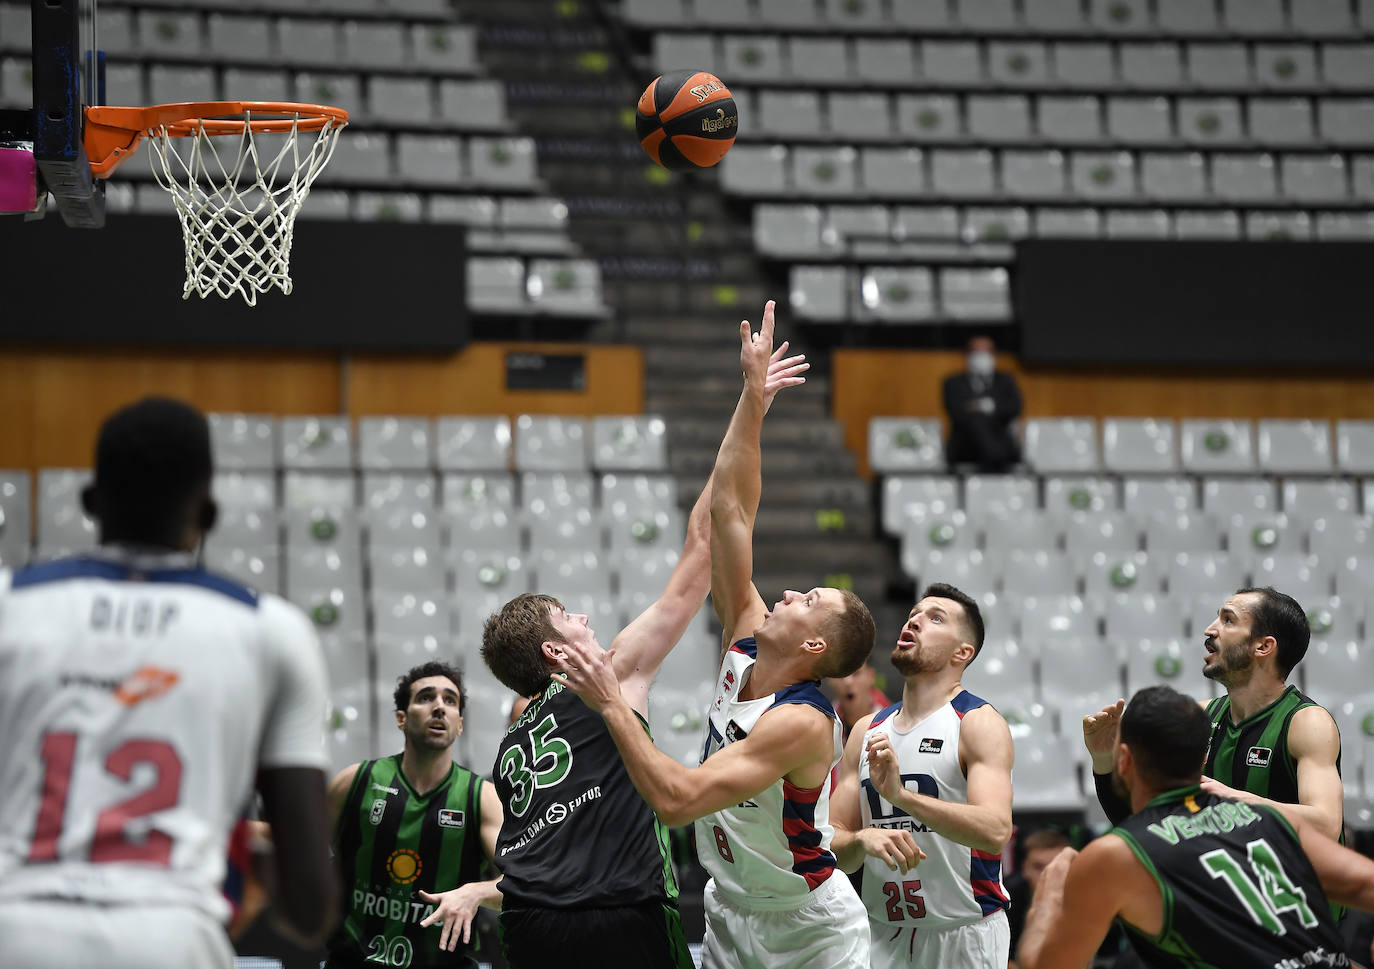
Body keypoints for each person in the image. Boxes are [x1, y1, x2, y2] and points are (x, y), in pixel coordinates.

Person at [551, 300, 877, 969]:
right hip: (731, 909)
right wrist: (752, 398)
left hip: (807, 923)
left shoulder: (804, 724)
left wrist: (613, 700)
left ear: (815, 646)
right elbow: (731, 508)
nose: (787, 593)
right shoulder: (746, 634)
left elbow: (677, 800)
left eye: (808, 600)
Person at [479, 324, 811, 969]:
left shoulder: (518, 731)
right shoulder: (610, 674)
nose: (584, 617)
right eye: (567, 617)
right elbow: (705, 545)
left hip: (527, 924)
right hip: (616, 913)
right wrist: (751, 407)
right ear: (554, 653)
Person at [0, 397, 336, 968]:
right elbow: (310, 905)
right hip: (172, 940)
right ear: (207, 514)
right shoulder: (271, 631)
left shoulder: (10, 603)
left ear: (89, 502)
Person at [1018, 685, 1374, 969]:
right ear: (1203, 758)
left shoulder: (1116, 855)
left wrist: (1047, 900)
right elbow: (1364, 883)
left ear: (1124, 760)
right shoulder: (1269, 819)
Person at [830, 584, 1015, 969]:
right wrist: (861, 839)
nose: (915, 620)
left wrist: (904, 797)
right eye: (914, 613)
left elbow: (995, 830)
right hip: (881, 931)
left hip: (963, 932)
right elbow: (832, 846)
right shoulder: (865, 729)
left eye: (935, 618)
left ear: (962, 653)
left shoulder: (977, 722)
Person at [1085, 588, 1344, 845]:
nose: (1210, 629)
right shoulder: (1198, 718)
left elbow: (1326, 825)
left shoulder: (1307, 723)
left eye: (1228, 620)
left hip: (1302, 885)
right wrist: (1104, 759)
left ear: (1263, 646)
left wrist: (1236, 801)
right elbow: (1140, 823)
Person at [323, 661, 502, 969]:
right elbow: (293, 840)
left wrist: (476, 893)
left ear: (459, 725)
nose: (439, 707)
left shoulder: (481, 798)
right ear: (401, 719)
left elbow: (528, 884)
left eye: (450, 700)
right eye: (425, 697)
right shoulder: (357, 781)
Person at [942, 334, 1022, 473]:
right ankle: (995, 456)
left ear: (994, 354)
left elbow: (1014, 407)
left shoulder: (1006, 381)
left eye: (986, 352)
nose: (981, 356)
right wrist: (984, 410)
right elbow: (956, 412)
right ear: (967, 355)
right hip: (965, 447)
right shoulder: (953, 382)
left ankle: (994, 455)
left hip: (1001, 441)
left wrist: (987, 407)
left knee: (981, 420)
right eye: (976, 352)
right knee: (977, 421)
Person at [1004, 828, 1071, 968]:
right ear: (1025, 868)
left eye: (1055, 867)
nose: (1046, 874)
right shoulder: (1006, 897)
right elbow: (1000, 956)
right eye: (1038, 867)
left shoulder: (1083, 896)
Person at [828, 658, 891, 742]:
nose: (848, 681)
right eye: (841, 674)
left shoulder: (891, 720)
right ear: (830, 680)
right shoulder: (824, 724)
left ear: (871, 676)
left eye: (856, 673)